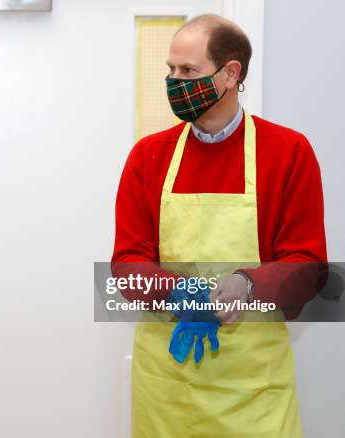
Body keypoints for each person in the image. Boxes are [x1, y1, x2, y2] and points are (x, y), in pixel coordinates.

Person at [111, 14, 327, 438]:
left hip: (253, 393)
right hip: (167, 392)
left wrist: (246, 286)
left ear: (231, 73)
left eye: (188, 71)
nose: (175, 81)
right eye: (171, 70)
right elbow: (127, 262)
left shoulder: (287, 152)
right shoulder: (149, 156)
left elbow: (308, 265)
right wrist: (174, 292)